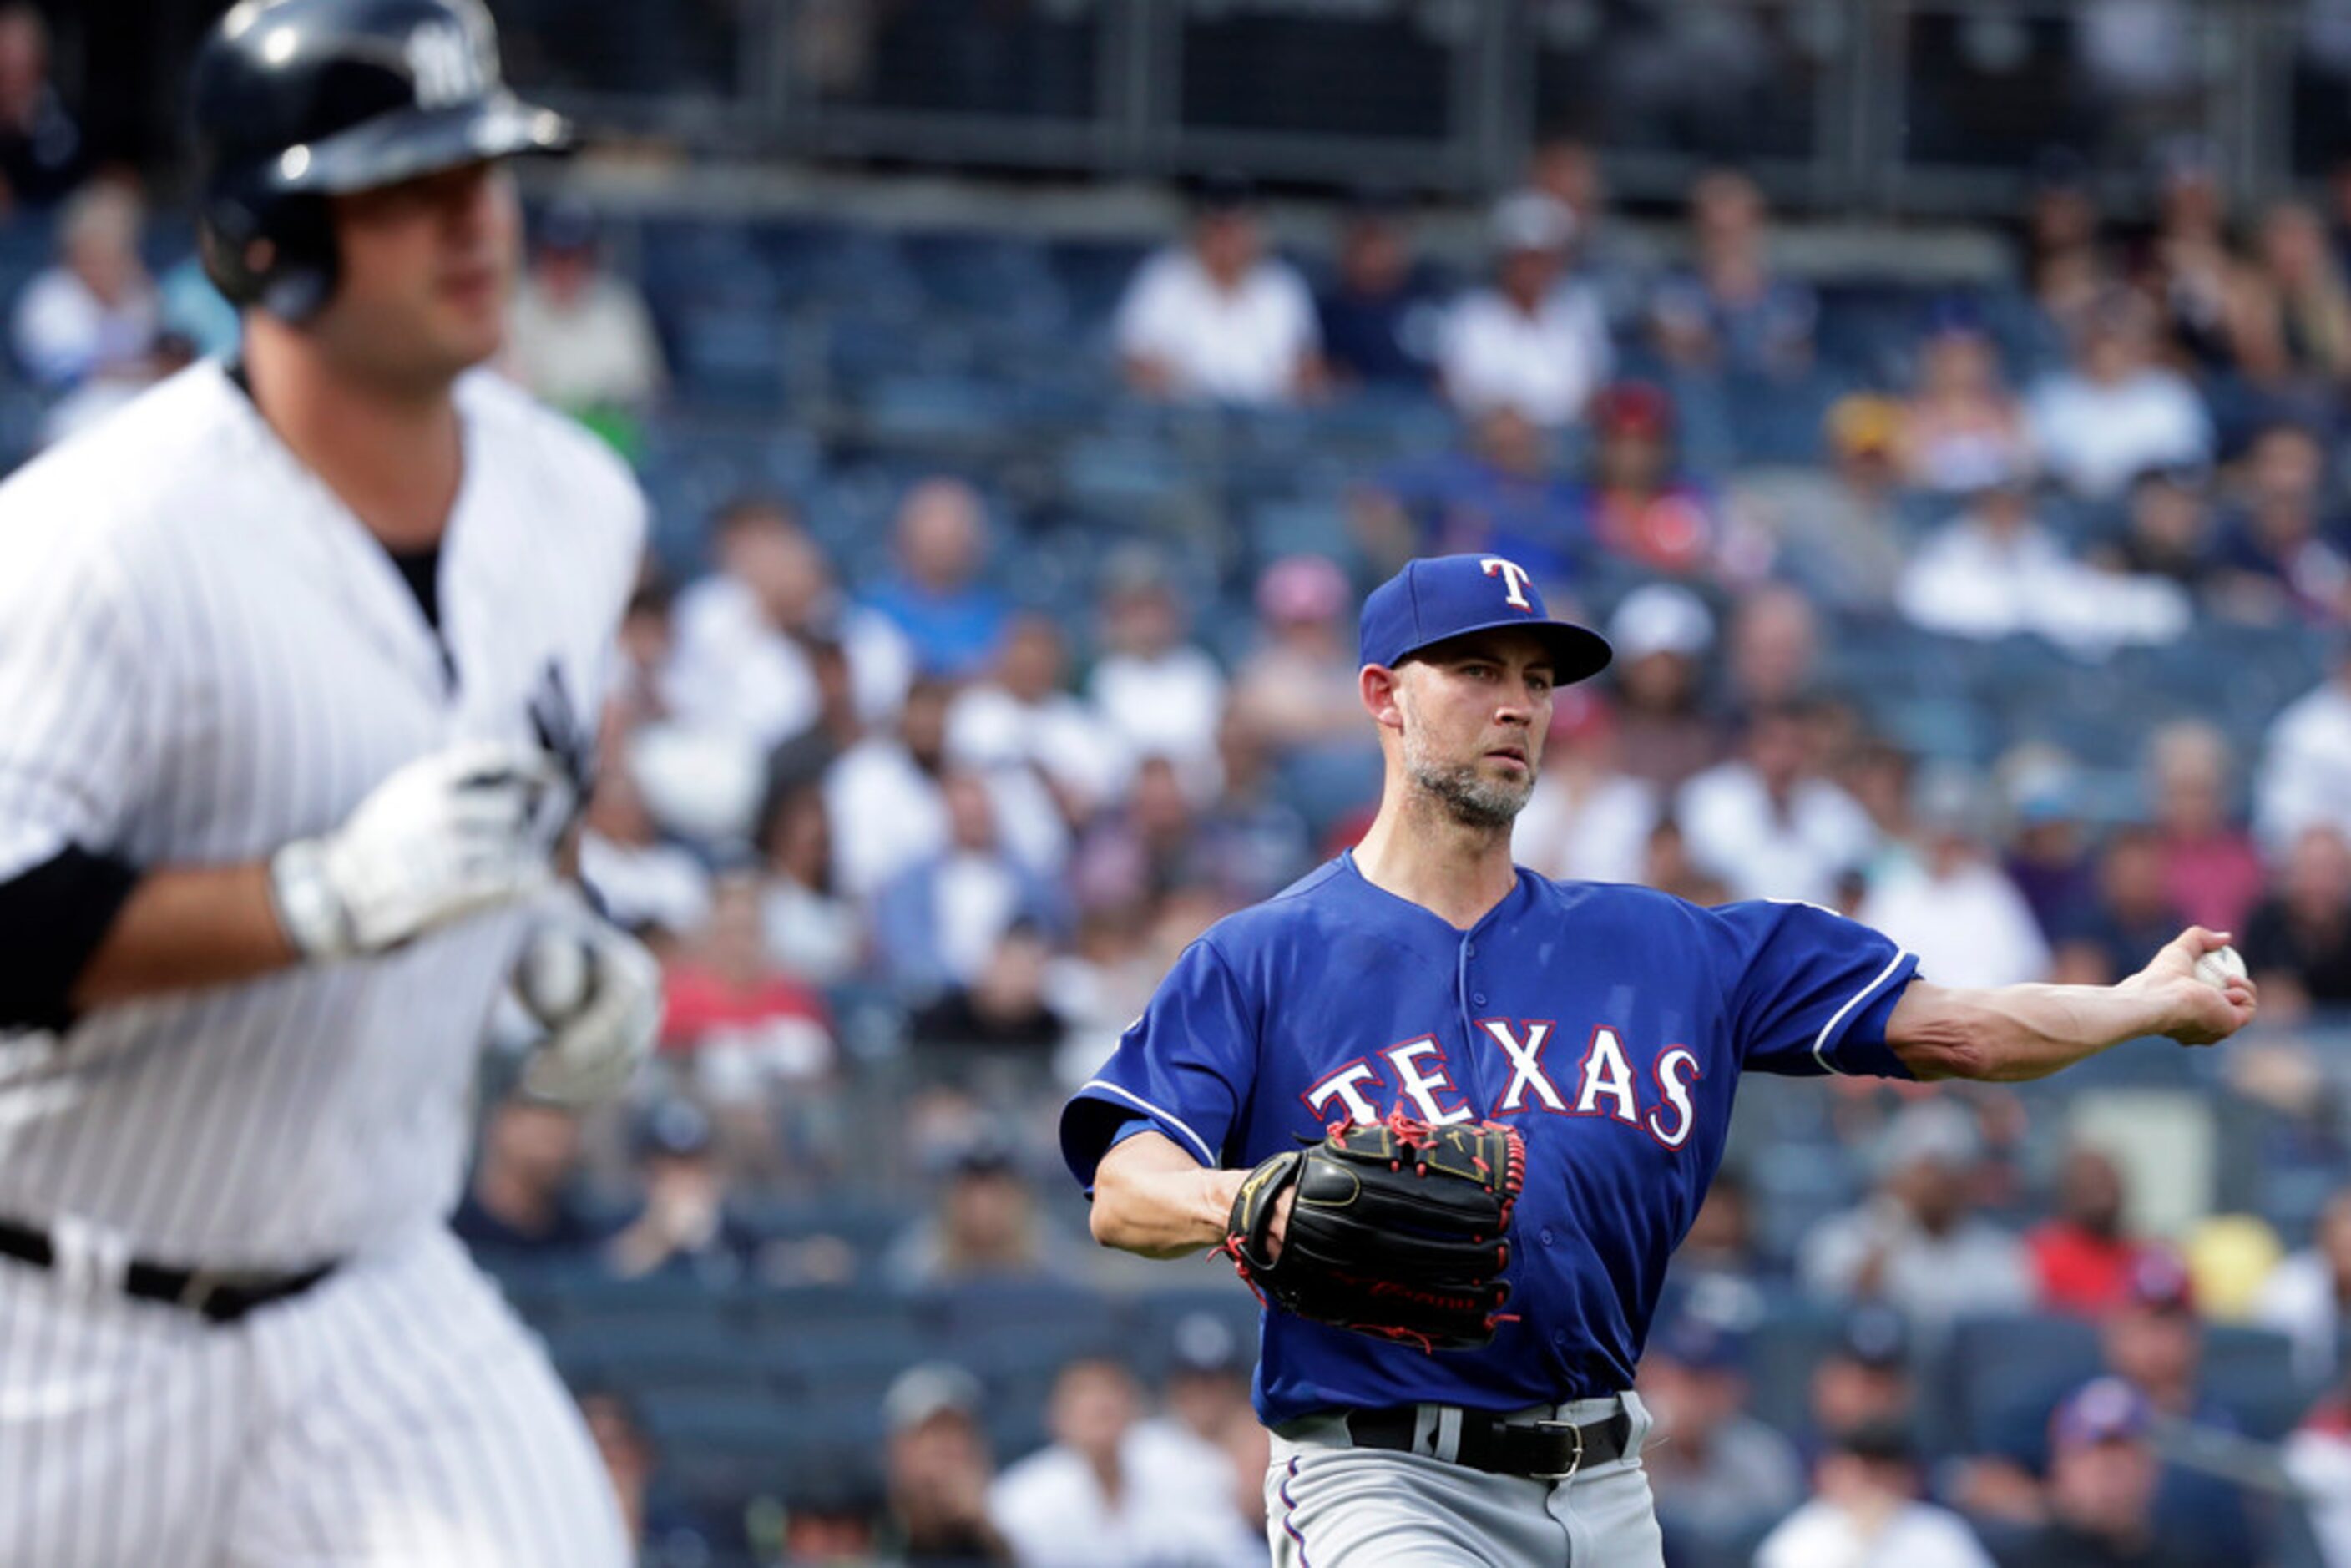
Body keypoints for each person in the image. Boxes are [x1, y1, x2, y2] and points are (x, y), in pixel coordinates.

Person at [1061, 551, 2257, 1565]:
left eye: (1538, 678)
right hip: (1383, 1479)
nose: (1517, 703)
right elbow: (1125, 1189)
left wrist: (2141, 1004)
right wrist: (1249, 1196)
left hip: (1608, 1489)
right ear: (1382, 693)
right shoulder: (1263, 957)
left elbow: (1958, 1029)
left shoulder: (1669, 947)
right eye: (1476, 669)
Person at [0, 3, 661, 1563]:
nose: (473, 220)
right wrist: (311, 901)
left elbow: (515, 810)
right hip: (50, 1317)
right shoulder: (94, 539)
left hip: (375, 1293)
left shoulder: (579, 503)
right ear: (263, 236)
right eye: (403, 184)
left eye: (484, 168)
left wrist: (542, 942)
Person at [987, 1356, 1254, 1568]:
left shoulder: (1188, 1470)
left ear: (1136, 1407)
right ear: (1056, 1416)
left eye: (1112, 1392)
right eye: (1083, 1395)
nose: (1101, 1405)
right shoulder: (1021, 1496)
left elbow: (1236, 1555)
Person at [1115, 174, 1324, 407]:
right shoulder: (1163, 277)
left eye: (1236, 227)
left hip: (1265, 429)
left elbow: (1307, 372)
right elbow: (1134, 366)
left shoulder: (1283, 287)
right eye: (1217, 226)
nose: (1226, 239)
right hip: (1179, 426)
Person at [1437, 191, 1612, 428]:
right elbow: (1455, 389)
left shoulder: (1579, 313)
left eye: (1543, 259)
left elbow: (1591, 393)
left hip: (1563, 441)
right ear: (1503, 259)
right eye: (1523, 258)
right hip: (1485, 439)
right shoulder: (1471, 314)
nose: (1532, 270)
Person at [1755, 1420, 1994, 1568]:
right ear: (1831, 1473)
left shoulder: (1940, 1531)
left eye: (1885, 1475)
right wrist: (1860, 1544)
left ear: (1909, 1479)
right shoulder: (1802, 1535)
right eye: (1865, 1473)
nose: (1874, 1487)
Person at [879, 1363, 1014, 1565]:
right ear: (899, 1448)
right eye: (931, 1433)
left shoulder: (1012, 1518)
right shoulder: (867, 1527)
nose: (945, 1450)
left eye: (957, 1432)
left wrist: (988, 1526)